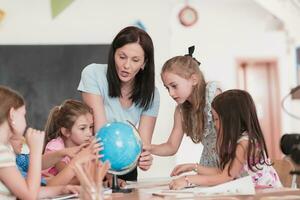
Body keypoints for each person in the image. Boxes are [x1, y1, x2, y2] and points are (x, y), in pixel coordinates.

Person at [78, 26, 160, 181]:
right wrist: (108, 175)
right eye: (122, 57)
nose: (127, 65)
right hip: (94, 161)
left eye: (135, 60)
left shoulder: (152, 94)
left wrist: (144, 159)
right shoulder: (93, 74)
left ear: (144, 63)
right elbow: (100, 133)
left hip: (124, 166)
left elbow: (142, 144)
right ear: (113, 54)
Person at [169, 89, 282, 190]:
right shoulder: (238, 141)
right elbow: (225, 171)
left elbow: (226, 177)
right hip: (251, 192)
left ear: (231, 120)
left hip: (266, 195)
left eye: (216, 119)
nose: (214, 124)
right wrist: (193, 167)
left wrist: (188, 180)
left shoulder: (244, 143)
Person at [146, 46, 220, 171]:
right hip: (210, 164)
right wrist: (148, 147)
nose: (170, 93)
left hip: (231, 159)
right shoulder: (181, 111)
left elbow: (233, 136)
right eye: (167, 88)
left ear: (194, 79)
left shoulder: (214, 96)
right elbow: (171, 146)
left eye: (174, 86)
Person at [0, 85, 80, 199]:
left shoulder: (5, 150)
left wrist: (62, 189)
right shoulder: (2, 152)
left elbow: (25, 191)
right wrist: (35, 151)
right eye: (23, 114)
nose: (26, 121)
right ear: (12, 115)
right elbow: (29, 196)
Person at [42, 99, 102, 186]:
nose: (89, 133)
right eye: (82, 128)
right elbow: (71, 179)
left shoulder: (86, 146)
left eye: (91, 127)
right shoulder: (55, 147)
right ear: (66, 132)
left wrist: (108, 179)